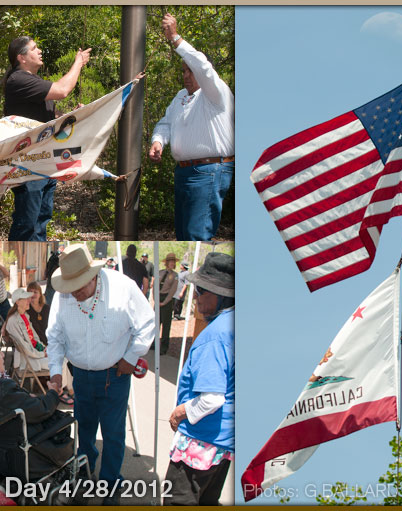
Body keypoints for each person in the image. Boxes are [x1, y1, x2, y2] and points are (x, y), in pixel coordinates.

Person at [47, 244, 155, 500]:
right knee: (84, 431)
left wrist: (131, 357)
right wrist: (55, 371)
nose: (73, 294)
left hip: (114, 377)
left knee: (113, 435)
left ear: (93, 277)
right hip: (81, 377)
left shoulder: (123, 288)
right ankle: (84, 477)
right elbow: (55, 337)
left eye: (79, 288)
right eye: (69, 288)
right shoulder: (63, 296)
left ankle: (110, 487)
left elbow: (147, 323)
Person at [148, 14, 234, 241]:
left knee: (197, 237)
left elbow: (203, 67)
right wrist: (158, 141)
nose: (186, 75)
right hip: (184, 172)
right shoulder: (180, 97)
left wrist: (175, 38)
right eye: (183, 71)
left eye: (190, 71)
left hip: (208, 171)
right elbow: (165, 123)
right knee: (185, 235)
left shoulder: (215, 93)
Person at [3, 36, 91, 241]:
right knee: (27, 224)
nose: (40, 50)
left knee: (41, 223)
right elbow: (62, 90)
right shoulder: (18, 79)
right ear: (21, 58)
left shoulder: (34, 82)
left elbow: (50, 122)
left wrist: (72, 115)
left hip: (45, 163)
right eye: (34, 48)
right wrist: (78, 62)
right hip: (29, 167)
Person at [164, 252, 234, 505]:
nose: (195, 297)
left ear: (220, 295)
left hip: (202, 441)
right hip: (222, 441)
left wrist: (180, 411)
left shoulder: (214, 336)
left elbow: (212, 399)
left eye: (201, 290)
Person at [0, 332, 72, 481]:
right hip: (25, 457)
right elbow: (43, 409)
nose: (3, 355)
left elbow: (19, 404)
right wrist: (53, 393)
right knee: (64, 422)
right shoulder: (3, 390)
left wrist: (25, 398)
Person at [4, 287, 48, 373]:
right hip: (28, 360)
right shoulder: (13, 321)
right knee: (61, 362)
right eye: (25, 299)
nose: (29, 300)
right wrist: (42, 354)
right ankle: (61, 386)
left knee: (62, 358)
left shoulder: (25, 316)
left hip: (34, 353)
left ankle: (62, 386)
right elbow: (24, 347)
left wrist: (42, 348)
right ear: (17, 302)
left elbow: (34, 338)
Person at [157, 253, 178, 356]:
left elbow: (172, 291)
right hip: (158, 297)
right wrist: (155, 299)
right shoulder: (160, 273)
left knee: (166, 325)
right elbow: (155, 285)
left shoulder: (175, 276)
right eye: (170, 261)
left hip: (167, 300)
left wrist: (164, 302)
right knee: (156, 323)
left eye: (173, 261)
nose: (172, 263)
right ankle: (154, 343)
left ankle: (164, 347)